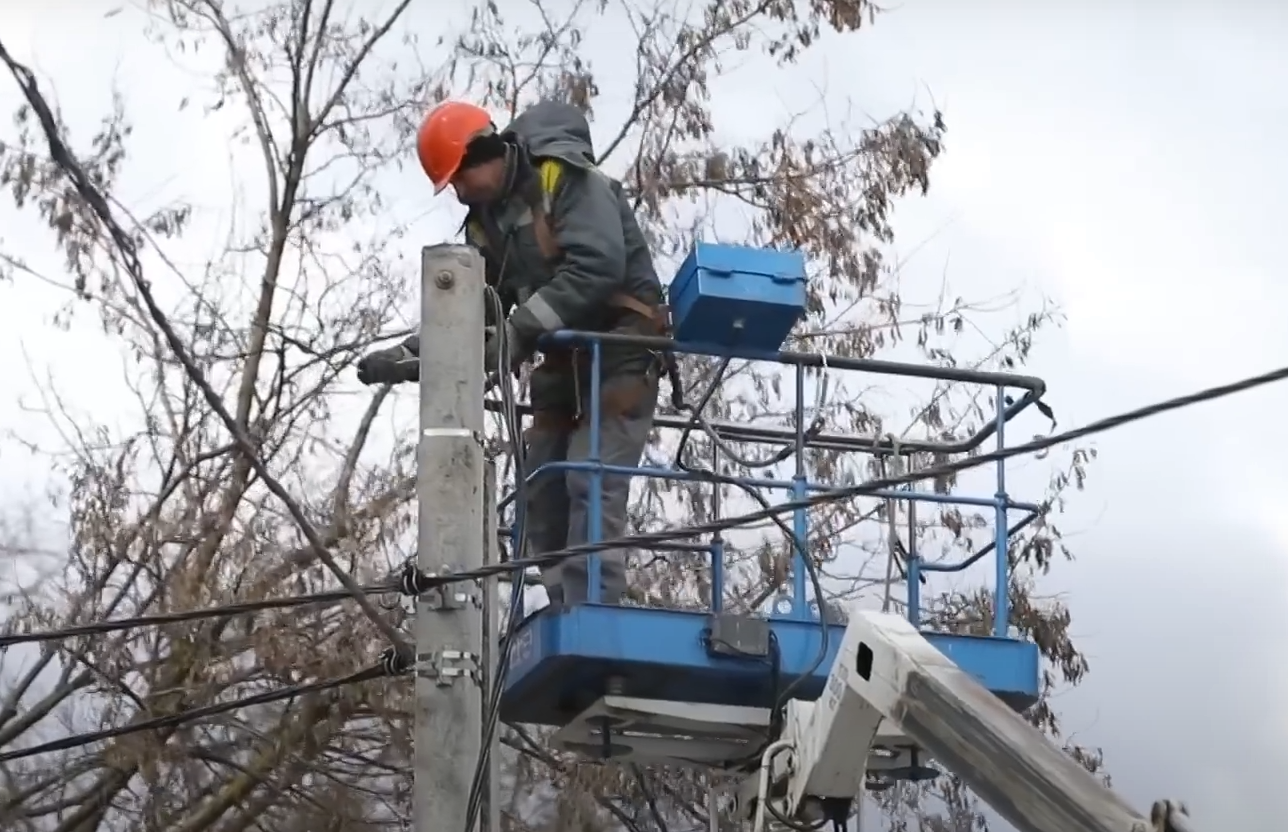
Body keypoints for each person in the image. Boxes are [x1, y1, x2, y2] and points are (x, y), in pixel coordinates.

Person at [356, 99, 667, 607]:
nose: (457, 193)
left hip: (621, 348)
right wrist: (414, 354)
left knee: (590, 473)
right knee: (541, 483)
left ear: (487, 154)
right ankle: (551, 609)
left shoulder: (564, 181)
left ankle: (596, 609)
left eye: (460, 177)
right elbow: (474, 308)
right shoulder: (486, 225)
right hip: (565, 359)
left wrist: (519, 330)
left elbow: (598, 266)